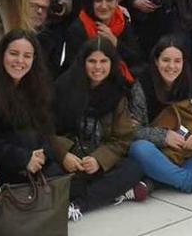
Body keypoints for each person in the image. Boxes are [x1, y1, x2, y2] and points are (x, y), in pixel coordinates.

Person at [54, 38, 147, 221]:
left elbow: (122, 139)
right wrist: (64, 155)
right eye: (92, 61)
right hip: (69, 160)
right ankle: (107, 194)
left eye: (103, 61)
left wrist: (99, 159)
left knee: (133, 168)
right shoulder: (63, 87)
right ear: (83, 62)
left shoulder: (117, 92)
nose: (98, 67)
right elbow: (45, 130)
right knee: (53, 175)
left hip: (97, 161)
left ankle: (79, 204)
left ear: (112, 64)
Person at [128, 36, 192, 194]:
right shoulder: (142, 86)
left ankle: (158, 180)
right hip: (159, 151)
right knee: (139, 149)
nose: (171, 66)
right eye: (166, 60)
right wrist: (164, 136)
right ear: (156, 61)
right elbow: (133, 131)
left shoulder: (191, 83)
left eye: (177, 61)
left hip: (186, 149)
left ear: (184, 62)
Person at [0, 30, 57, 192]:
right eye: (13, 54)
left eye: (27, 56)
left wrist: (43, 154)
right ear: (2, 54)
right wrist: (23, 158)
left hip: (34, 162)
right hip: (3, 165)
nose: (20, 61)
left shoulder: (39, 87)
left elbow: (47, 129)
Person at [64, 0, 143, 80]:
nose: (104, 6)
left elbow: (137, 61)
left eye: (109, 0)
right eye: (98, 0)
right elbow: (74, 68)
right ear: (91, 2)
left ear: (116, 2)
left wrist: (115, 43)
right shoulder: (78, 29)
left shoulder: (123, 23)